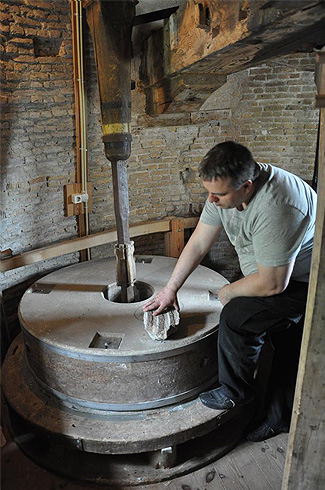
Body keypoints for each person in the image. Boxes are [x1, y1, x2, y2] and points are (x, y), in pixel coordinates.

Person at [143, 141, 317, 441]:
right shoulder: (226, 189)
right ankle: (281, 414)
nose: (211, 199)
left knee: (238, 316)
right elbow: (198, 242)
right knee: (286, 341)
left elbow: (273, 284)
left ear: (247, 186)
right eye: (208, 191)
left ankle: (236, 392)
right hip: (274, 269)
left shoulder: (279, 206)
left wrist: (228, 292)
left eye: (218, 195)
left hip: (308, 280)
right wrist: (170, 290)